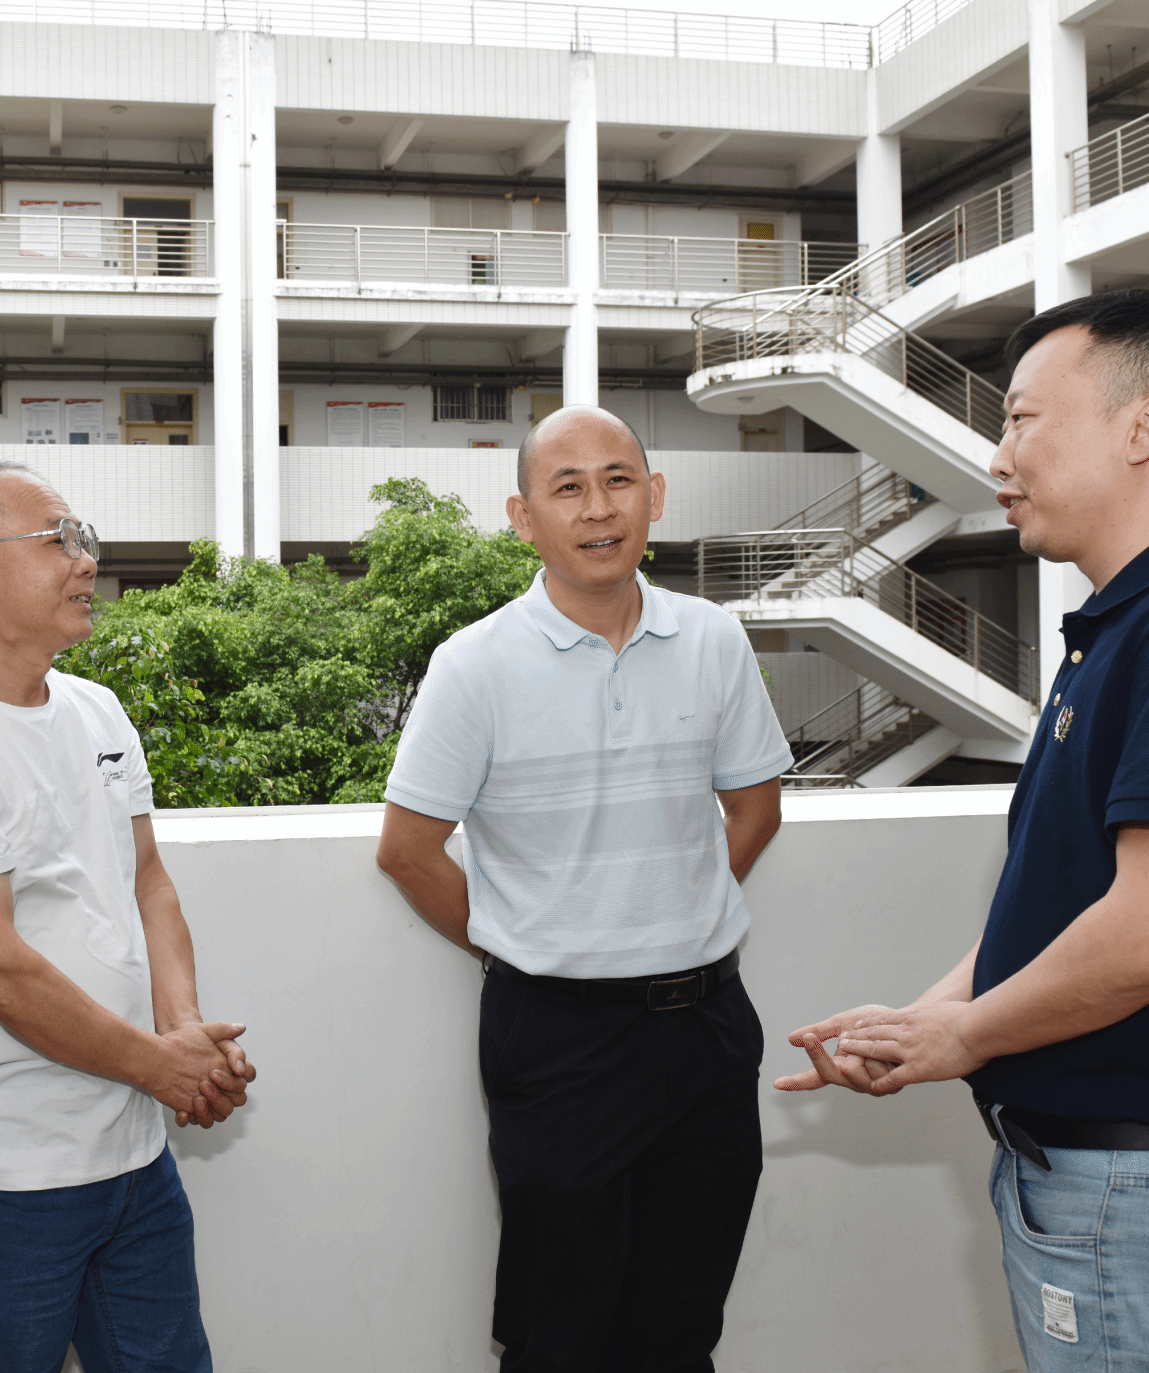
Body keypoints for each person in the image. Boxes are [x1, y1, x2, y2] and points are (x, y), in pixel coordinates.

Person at [778, 289, 1149, 1372]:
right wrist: (924, 1019)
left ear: (1145, 425)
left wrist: (966, 1037)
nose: (999, 455)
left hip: (1136, 1194)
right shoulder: (1134, 621)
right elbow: (1065, 903)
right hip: (1094, 1186)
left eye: (1023, 418)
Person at [375, 406, 791, 1373]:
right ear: (524, 518)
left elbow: (756, 809)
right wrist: (531, 939)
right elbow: (408, 850)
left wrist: (672, 909)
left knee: (682, 1329)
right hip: (558, 1038)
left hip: (708, 1028)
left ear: (655, 496)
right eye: (568, 487)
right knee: (559, 1334)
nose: (599, 508)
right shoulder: (474, 664)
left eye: (618, 479)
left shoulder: (712, 638)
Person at [0, 459, 256, 1373]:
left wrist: (183, 1032)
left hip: (133, 1149)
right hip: (7, 1168)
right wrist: (164, 1066)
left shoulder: (97, 710)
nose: (86, 561)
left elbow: (147, 881)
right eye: (58, 540)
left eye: (84, 538)